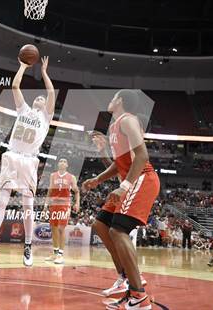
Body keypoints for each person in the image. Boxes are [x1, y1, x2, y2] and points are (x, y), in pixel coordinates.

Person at [82, 89, 160, 310]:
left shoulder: (129, 121)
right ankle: (127, 279)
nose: (110, 99)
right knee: (100, 224)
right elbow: (119, 164)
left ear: (120, 101)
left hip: (142, 179)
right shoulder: (115, 126)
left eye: (113, 96)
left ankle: (139, 295)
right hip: (129, 181)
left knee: (118, 230)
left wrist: (125, 186)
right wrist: (98, 178)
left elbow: (142, 156)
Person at [0, 56, 55, 267]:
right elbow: (15, 85)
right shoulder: (23, 110)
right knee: (2, 201)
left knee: (27, 205)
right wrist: (23, 67)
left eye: (43, 100)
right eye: (38, 99)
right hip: (12, 155)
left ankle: (27, 245)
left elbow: (51, 92)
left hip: (29, 161)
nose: (40, 100)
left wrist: (44, 73)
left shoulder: (46, 118)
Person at [44, 158, 79, 264]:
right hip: (54, 204)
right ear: (58, 164)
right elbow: (50, 191)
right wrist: (45, 205)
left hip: (64, 205)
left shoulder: (71, 177)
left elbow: (77, 191)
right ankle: (55, 253)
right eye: (60, 161)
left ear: (67, 165)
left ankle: (60, 254)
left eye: (64, 161)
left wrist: (77, 203)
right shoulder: (52, 176)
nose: (62, 162)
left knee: (61, 228)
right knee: (53, 228)